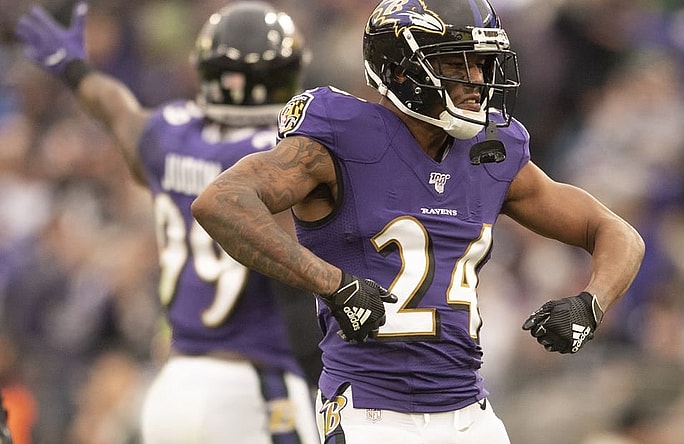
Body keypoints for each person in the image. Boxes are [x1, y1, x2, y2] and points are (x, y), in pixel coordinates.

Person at [192, 0, 645, 442]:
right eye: (457, 64)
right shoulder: (342, 135)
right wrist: (331, 283)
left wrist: (591, 302)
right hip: (371, 412)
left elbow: (616, 233)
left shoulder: (492, 151)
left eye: (482, 64)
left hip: (471, 414)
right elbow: (221, 202)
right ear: (401, 70)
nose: (476, 81)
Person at [15, 2, 322, 443]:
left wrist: (73, 68)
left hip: (171, 387)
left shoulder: (170, 134)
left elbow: (116, 109)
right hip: (253, 382)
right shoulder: (281, 156)